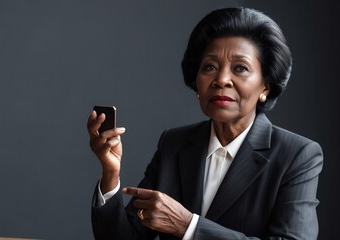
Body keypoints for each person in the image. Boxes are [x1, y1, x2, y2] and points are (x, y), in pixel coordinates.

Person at [87, 7, 323, 240]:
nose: (221, 80)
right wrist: (111, 174)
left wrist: (188, 227)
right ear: (196, 81)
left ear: (265, 86)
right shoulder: (174, 144)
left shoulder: (297, 155)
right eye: (209, 67)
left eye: (240, 68)